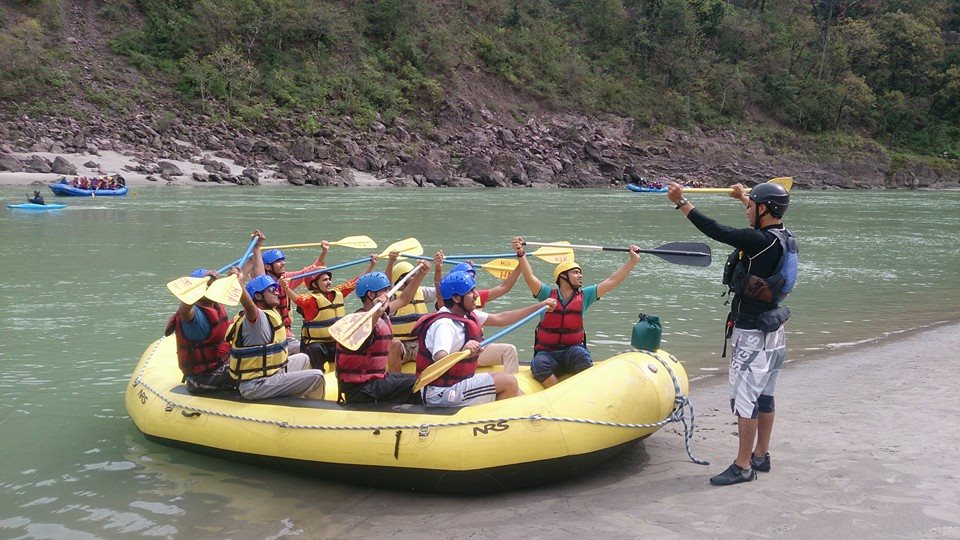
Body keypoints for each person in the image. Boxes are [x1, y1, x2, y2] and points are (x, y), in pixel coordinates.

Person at [667, 181, 798, 486]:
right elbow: (755, 224)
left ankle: (743, 466)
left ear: (764, 209)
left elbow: (717, 231)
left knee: (745, 401)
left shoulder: (758, 241)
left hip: (753, 334)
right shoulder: (784, 238)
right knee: (765, 396)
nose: (748, 210)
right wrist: (743, 197)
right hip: (774, 332)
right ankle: (761, 455)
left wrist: (680, 202)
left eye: (752, 206)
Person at [511, 236, 641, 388]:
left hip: (571, 352)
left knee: (581, 356)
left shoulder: (586, 296)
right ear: (563, 276)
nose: (580, 276)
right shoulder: (546, 294)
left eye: (580, 273)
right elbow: (529, 276)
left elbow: (612, 280)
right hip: (547, 353)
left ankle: (580, 393)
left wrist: (632, 261)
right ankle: (557, 394)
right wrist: (521, 253)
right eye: (576, 272)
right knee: (539, 364)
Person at [415, 271, 556, 408]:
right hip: (440, 392)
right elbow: (440, 358)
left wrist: (540, 306)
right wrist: (464, 351)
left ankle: (532, 415)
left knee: (515, 389)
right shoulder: (444, 325)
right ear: (456, 298)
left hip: (459, 382)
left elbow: (501, 318)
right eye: (470, 292)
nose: (476, 295)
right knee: (508, 381)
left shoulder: (466, 314)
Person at [226, 235, 326, 400]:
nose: (276, 292)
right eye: (270, 290)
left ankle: (296, 396)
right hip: (257, 385)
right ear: (258, 296)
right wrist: (238, 282)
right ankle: (310, 411)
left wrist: (257, 247)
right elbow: (248, 302)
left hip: (271, 372)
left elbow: (260, 277)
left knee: (304, 358)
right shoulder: (255, 316)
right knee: (317, 375)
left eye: (274, 289)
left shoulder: (268, 310)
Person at [334, 266, 430, 405]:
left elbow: (404, 299)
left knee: (419, 378)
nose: (388, 294)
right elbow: (363, 332)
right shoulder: (357, 321)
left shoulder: (383, 312)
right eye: (384, 291)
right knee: (415, 384)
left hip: (376, 380)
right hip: (361, 389)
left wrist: (420, 275)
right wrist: (377, 313)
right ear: (371, 295)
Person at [287, 255, 378, 370]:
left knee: (351, 344)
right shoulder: (310, 300)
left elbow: (356, 282)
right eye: (324, 280)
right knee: (316, 349)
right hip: (316, 345)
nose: (329, 282)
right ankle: (318, 375)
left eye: (329, 279)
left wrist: (371, 265)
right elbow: (297, 300)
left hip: (334, 343)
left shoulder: (337, 292)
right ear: (315, 284)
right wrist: (286, 288)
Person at [438, 258, 525, 373]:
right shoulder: (446, 308)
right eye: (466, 277)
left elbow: (505, 288)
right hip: (460, 353)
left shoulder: (476, 298)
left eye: (472, 277)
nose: (471, 280)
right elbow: (440, 289)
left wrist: (522, 263)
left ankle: (511, 384)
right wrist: (438, 269)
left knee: (509, 350)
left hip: (477, 348)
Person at [164, 267, 236, 394]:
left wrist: (233, 275)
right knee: (248, 369)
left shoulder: (215, 305)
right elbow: (184, 311)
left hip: (220, 366)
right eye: (208, 286)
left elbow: (238, 282)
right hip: (202, 378)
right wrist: (200, 284)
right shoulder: (193, 314)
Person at [261, 242, 338, 354]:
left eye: (282, 260)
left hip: (285, 331)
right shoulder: (261, 283)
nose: (282, 263)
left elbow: (309, 272)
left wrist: (324, 252)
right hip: (268, 333)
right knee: (303, 350)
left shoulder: (287, 278)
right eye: (278, 261)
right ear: (267, 266)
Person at [383, 251, 444, 366]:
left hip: (419, 342)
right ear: (400, 278)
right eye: (411, 275)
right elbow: (386, 284)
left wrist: (438, 268)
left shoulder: (422, 291)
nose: (414, 277)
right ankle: (396, 381)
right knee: (394, 344)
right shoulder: (391, 296)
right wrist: (391, 261)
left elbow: (441, 291)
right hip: (400, 345)